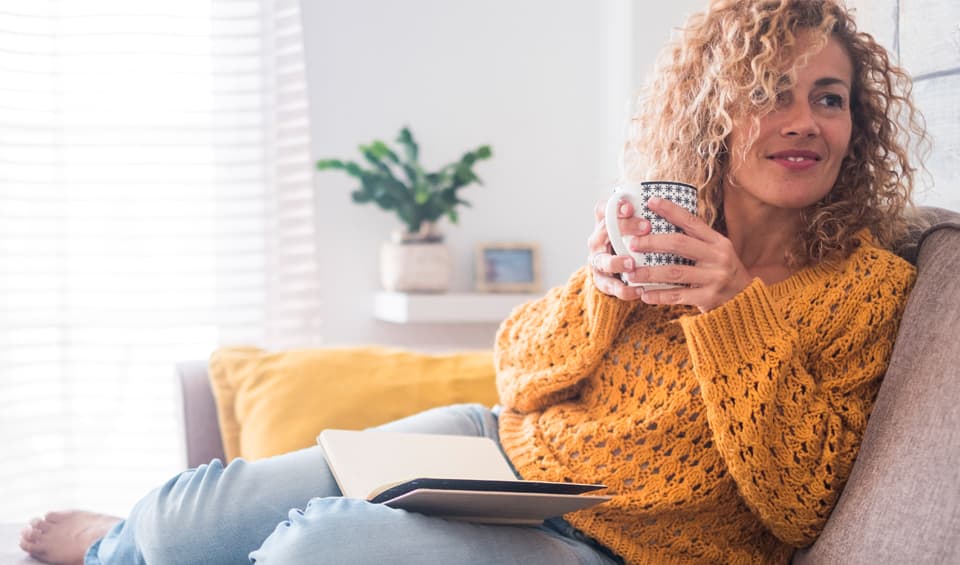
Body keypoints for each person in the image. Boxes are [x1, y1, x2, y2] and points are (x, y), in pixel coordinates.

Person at [20, 0, 925, 563]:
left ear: (858, 124)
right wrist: (599, 289)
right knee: (186, 514)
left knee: (315, 551)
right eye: (770, 90)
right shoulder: (667, 227)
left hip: (619, 544)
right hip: (495, 452)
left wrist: (731, 310)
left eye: (829, 96)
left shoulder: (870, 287)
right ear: (716, 114)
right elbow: (519, 375)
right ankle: (117, 543)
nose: (802, 121)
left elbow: (802, 502)